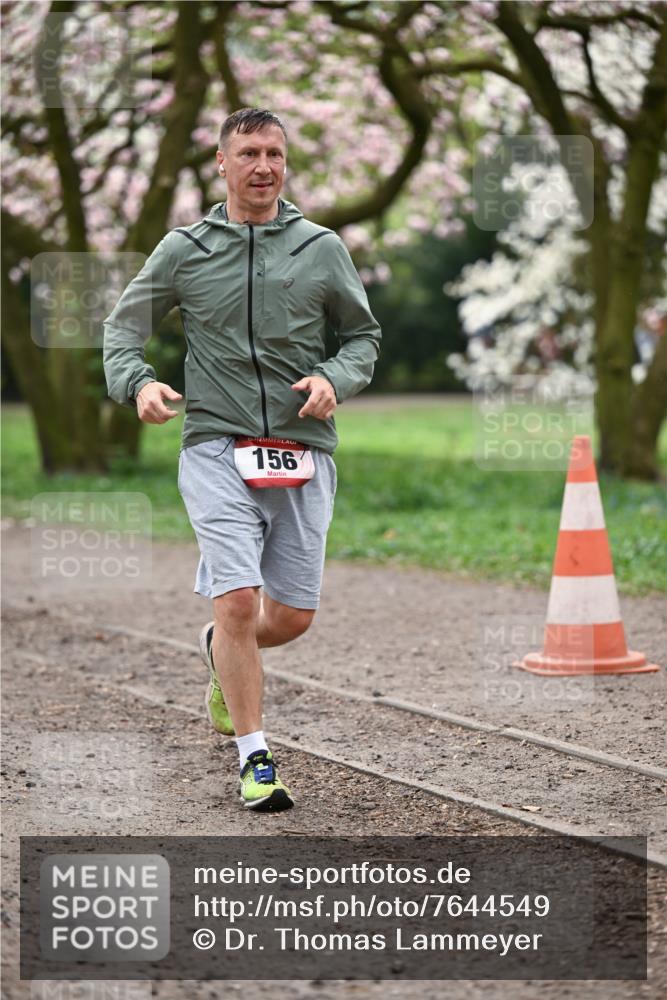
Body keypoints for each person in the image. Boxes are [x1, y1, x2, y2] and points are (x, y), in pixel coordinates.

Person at [103, 108, 381, 812]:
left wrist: (333, 378)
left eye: (275, 154)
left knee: (287, 619)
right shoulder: (184, 249)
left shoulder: (319, 248)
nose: (263, 166)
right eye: (249, 153)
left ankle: (220, 649)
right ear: (221, 165)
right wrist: (139, 382)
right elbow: (123, 329)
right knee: (237, 600)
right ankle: (254, 759)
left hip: (301, 450)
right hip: (215, 445)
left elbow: (361, 338)